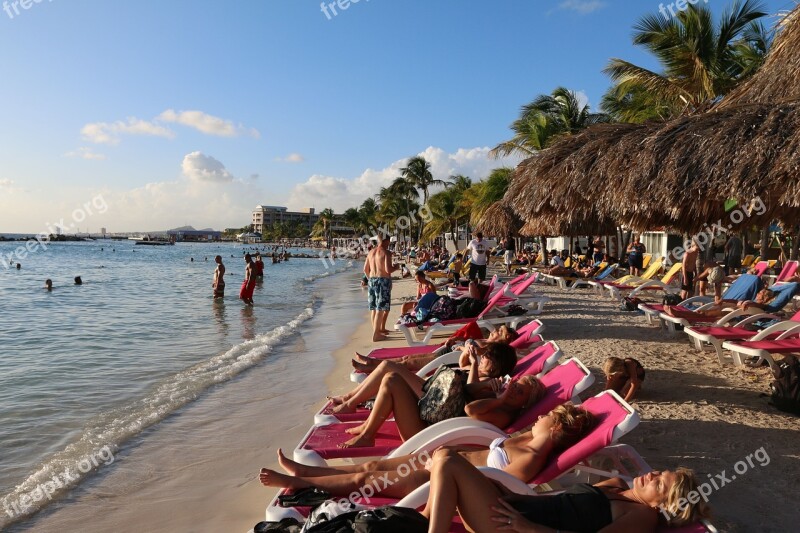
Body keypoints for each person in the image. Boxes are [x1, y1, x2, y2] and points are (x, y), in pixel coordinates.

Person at [259, 404, 595, 500]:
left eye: (546, 417)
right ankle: (308, 472)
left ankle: (306, 484)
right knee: (377, 463)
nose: (538, 415)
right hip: (440, 460)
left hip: (436, 479)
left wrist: (446, 467)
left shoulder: (532, 458)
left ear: (554, 430)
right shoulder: (526, 439)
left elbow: (497, 489)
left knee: (366, 478)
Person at [420, 450, 709, 533]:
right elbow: (561, 502)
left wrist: (529, 527)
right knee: (444, 455)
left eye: (658, 483)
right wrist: (513, 494)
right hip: (516, 511)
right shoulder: (618, 486)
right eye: (659, 472)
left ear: (662, 505)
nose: (650, 475)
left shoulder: (642, 516)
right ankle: (419, 522)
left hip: (515, 528)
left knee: (448, 461)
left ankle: (424, 524)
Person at [328, 343, 517, 447]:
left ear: (496, 367)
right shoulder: (481, 375)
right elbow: (462, 365)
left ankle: (355, 411)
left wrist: (475, 365)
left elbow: (468, 390)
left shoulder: (490, 387)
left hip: (433, 420)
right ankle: (366, 426)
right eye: (486, 355)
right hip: (434, 403)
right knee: (391, 377)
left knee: (388, 369)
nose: (484, 357)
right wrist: (469, 354)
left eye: (488, 357)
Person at [352, 324, 520, 374]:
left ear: (505, 339)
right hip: (448, 351)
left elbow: (471, 353)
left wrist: (462, 346)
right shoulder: (485, 339)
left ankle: (371, 367)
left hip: (451, 358)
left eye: (500, 331)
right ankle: (372, 362)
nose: (495, 330)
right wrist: (457, 338)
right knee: (406, 358)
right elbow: (468, 342)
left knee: (410, 363)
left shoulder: (491, 349)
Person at [364, 235, 398, 342]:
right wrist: (396, 267)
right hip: (382, 281)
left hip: (372, 280)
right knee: (380, 308)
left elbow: (365, 269)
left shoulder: (370, 252)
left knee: (374, 308)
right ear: (386, 241)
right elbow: (388, 270)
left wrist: (370, 279)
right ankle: (376, 334)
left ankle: (376, 331)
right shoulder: (386, 252)